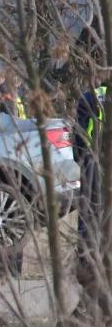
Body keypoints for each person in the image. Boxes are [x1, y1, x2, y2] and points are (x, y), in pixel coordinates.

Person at [74, 84, 105, 278]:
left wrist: (81, 158)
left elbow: (80, 132)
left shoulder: (90, 96)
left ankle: (86, 262)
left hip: (92, 160)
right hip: (100, 159)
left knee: (89, 211)